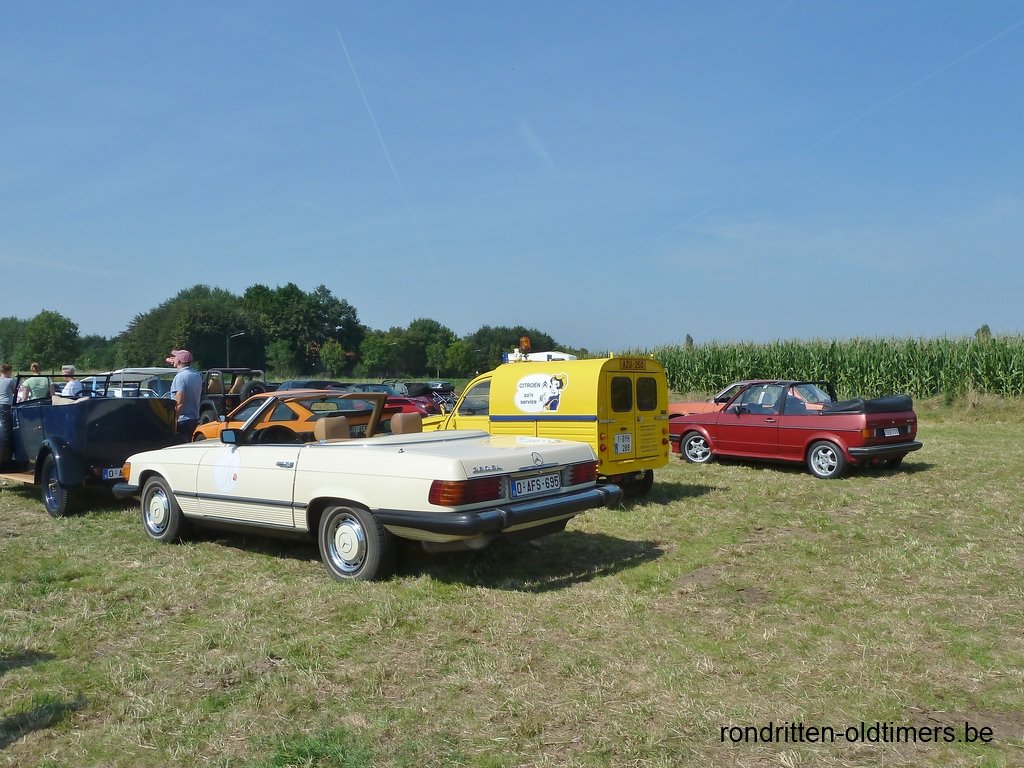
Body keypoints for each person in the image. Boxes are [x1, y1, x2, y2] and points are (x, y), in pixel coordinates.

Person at [166, 349, 202, 438]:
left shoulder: (180, 377)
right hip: (194, 418)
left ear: (178, 361)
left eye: (175, 357)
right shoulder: (197, 375)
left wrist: (173, 421)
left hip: (182, 421)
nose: (173, 359)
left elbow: (180, 403)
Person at [0, 363, 16, 467]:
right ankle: (5, 456)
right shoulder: (10, 380)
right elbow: (15, 391)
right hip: (5, 405)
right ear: (8, 371)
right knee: (6, 430)